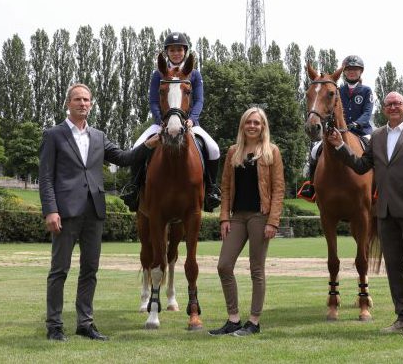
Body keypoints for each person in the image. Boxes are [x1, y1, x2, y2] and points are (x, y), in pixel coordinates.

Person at [39, 83, 159, 342]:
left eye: (87, 100)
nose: (83, 104)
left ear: (91, 104)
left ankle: (85, 323)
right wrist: (51, 210)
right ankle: (55, 326)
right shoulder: (54, 135)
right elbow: (46, 177)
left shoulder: (99, 136)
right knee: (59, 271)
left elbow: (125, 158)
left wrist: (149, 145)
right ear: (68, 103)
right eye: (78, 99)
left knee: (90, 271)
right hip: (66, 213)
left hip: (94, 212)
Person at [325, 91, 403, 338]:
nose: (393, 107)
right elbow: (361, 166)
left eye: (397, 103)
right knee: (395, 268)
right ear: (384, 109)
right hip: (385, 211)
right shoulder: (377, 136)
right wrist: (340, 147)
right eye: (388, 104)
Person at [122, 31, 221, 212]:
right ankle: (133, 188)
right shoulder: (158, 74)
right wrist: (161, 121)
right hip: (162, 123)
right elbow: (153, 101)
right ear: (167, 52)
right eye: (172, 50)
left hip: (190, 123)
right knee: (137, 146)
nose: (176, 53)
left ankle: (211, 190)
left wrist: (192, 119)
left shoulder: (194, 74)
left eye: (179, 50)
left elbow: (199, 100)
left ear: (184, 51)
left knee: (213, 148)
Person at [208, 107, 285, 337]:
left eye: (257, 123)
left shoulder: (272, 152)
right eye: (248, 122)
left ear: (263, 127)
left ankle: (254, 322)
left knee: (256, 270)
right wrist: (224, 217)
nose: (252, 126)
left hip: (260, 216)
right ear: (243, 126)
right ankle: (233, 319)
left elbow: (279, 189)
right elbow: (226, 188)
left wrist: (273, 221)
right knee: (224, 265)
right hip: (237, 216)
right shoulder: (233, 152)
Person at [298, 55, 373, 201]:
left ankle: (378, 186)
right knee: (314, 151)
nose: (352, 72)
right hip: (337, 132)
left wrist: (356, 124)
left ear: (361, 72)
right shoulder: (337, 90)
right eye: (349, 69)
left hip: (362, 131)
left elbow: (367, 113)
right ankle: (312, 186)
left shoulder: (366, 90)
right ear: (344, 72)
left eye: (355, 69)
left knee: (376, 151)